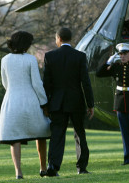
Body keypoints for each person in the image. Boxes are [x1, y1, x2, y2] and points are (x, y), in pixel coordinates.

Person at [0, 31, 51, 179]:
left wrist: (13, 91)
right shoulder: (31, 60)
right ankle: (43, 168)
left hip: (11, 101)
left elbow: (5, 83)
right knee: (40, 133)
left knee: (14, 138)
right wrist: (44, 102)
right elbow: (37, 83)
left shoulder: (5, 60)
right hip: (31, 101)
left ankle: (18, 172)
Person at [43, 27, 94, 176]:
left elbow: (47, 84)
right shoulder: (79, 56)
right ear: (70, 39)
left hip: (57, 103)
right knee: (80, 134)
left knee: (57, 135)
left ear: (58, 38)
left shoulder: (49, 56)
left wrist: (45, 105)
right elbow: (86, 82)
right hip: (76, 101)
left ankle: (53, 166)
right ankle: (82, 167)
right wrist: (90, 104)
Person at [96, 43, 129, 165]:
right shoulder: (116, 66)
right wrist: (108, 62)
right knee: (125, 133)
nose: (122, 56)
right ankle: (127, 158)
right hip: (120, 103)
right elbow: (99, 73)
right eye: (120, 54)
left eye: (125, 54)